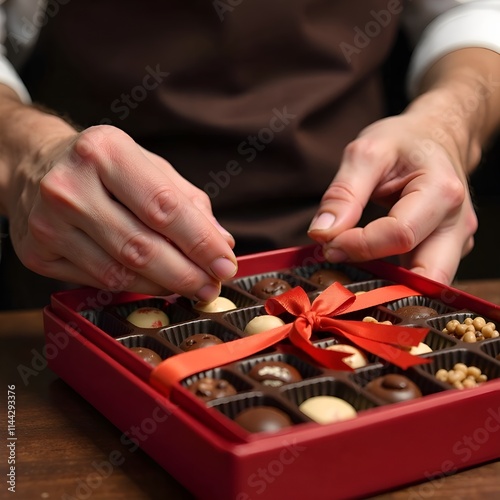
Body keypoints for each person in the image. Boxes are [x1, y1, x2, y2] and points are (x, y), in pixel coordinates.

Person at [0, 0, 499, 308]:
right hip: (85, 260)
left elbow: (472, 12)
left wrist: (449, 123)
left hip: (361, 253)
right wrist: (27, 151)